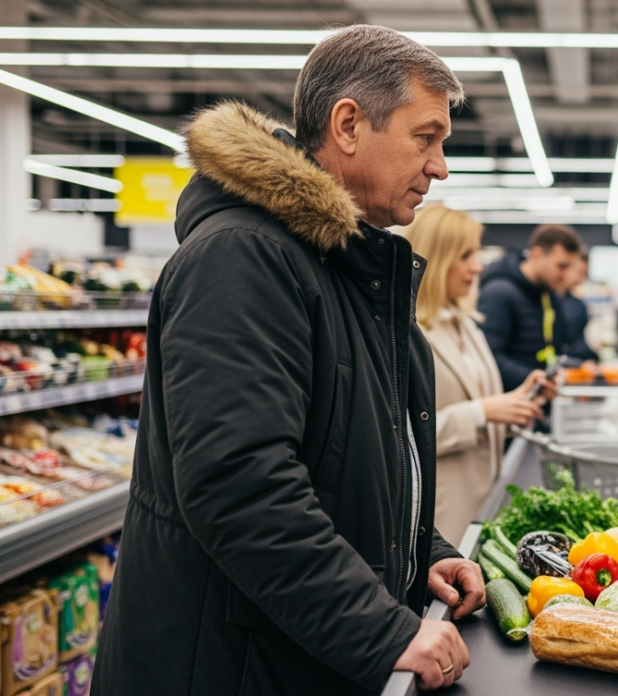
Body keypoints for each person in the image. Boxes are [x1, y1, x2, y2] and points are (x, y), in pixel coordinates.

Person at [93, 26, 484, 696]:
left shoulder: (348, 272)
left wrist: (419, 557)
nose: (440, 165)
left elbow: (351, 460)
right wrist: (383, 627)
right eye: (426, 138)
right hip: (226, 667)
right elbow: (240, 485)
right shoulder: (243, 258)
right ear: (350, 124)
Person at [400, 204, 554, 542]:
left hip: (484, 502)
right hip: (440, 514)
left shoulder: (466, 323)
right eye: (465, 255)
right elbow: (398, 436)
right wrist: (483, 412)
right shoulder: (403, 333)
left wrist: (517, 401)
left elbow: (482, 402)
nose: (477, 266)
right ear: (436, 258)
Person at [477, 224, 583, 390]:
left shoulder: (548, 295)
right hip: (507, 405)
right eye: (561, 266)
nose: (566, 275)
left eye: (569, 267)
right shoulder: (498, 293)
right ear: (537, 254)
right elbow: (487, 358)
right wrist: (536, 381)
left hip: (534, 403)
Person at [557, 248, 599, 362]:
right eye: (580, 273)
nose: (581, 279)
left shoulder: (578, 305)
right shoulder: (542, 300)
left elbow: (577, 342)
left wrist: (592, 358)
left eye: (585, 274)